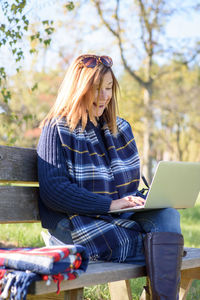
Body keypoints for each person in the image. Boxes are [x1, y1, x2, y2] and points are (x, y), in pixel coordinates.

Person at [37, 54, 184, 299]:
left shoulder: (120, 128)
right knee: (167, 248)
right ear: (79, 89)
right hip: (76, 223)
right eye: (96, 89)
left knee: (167, 218)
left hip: (118, 218)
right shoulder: (57, 128)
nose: (105, 96)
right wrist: (109, 204)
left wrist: (143, 200)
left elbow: (128, 186)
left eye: (108, 88)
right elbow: (54, 190)